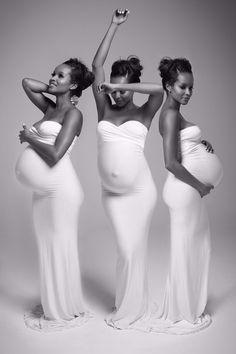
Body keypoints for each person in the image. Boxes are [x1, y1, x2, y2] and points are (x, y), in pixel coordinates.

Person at [92, 9, 164, 330]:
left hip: (141, 192)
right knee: (126, 246)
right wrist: (113, 26)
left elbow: (161, 91)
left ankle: (129, 305)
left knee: (133, 248)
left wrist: (123, 83)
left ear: (134, 87)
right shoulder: (104, 106)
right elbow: (96, 66)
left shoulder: (145, 113)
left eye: (125, 89)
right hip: (112, 194)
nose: (118, 94)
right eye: (114, 88)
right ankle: (128, 301)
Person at [15, 58, 94, 331]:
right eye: (52, 73)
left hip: (61, 189)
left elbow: (55, 154)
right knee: (47, 247)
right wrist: (57, 88)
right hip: (44, 191)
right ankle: (54, 304)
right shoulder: (49, 108)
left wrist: (30, 138)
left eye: (60, 76)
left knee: (60, 247)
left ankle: (64, 309)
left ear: (73, 85)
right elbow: (27, 83)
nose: (52, 78)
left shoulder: (74, 115)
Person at [151, 57, 223, 334]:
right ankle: (182, 311)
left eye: (191, 88)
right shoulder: (169, 114)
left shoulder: (175, 112)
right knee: (185, 250)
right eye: (182, 87)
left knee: (195, 247)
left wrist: (198, 143)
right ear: (169, 86)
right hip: (184, 191)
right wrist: (200, 186)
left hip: (185, 190)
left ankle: (187, 305)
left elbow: (181, 148)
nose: (188, 93)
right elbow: (170, 162)